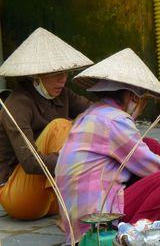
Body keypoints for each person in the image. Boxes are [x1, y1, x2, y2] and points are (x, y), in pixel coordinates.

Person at [56, 48, 160, 243]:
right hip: (96, 222)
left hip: (77, 220)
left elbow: (144, 156)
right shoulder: (115, 120)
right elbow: (154, 168)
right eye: (143, 101)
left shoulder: (93, 113)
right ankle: (132, 237)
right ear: (134, 97)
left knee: (150, 146)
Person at [0, 27, 93, 220]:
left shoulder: (64, 94)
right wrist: (75, 159)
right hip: (20, 196)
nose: (63, 79)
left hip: (51, 197)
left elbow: (94, 112)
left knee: (87, 120)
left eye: (65, 73)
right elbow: (30, 163)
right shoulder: (17, 104)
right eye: (56, 74)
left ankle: (73, 201)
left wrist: (119, 116)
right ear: (37, 76)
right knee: (60, 126)